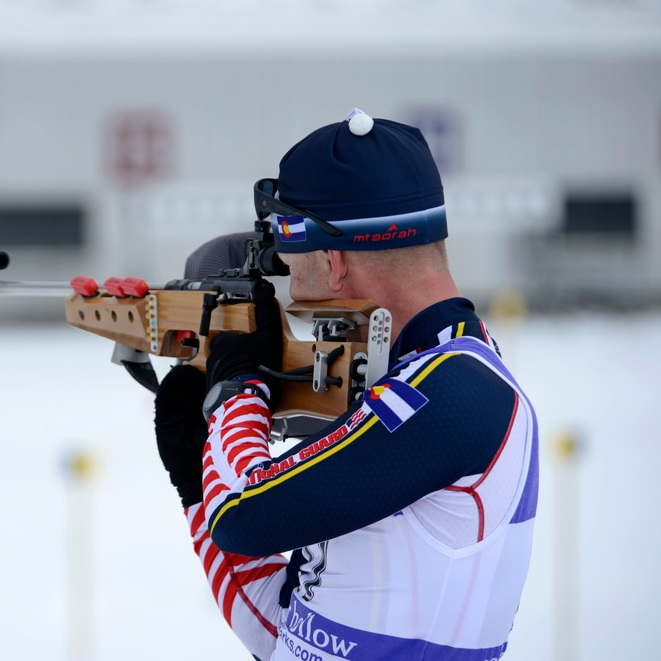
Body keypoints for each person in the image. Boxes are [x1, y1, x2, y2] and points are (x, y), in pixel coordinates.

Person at [154, 109, 539, 660]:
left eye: (291, 258)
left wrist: (239, 387)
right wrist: (196, 483)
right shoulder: (419, 381)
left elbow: (243, 513)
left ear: (333, 263)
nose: (287, 277)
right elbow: (290, 634)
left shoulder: (457, 391)